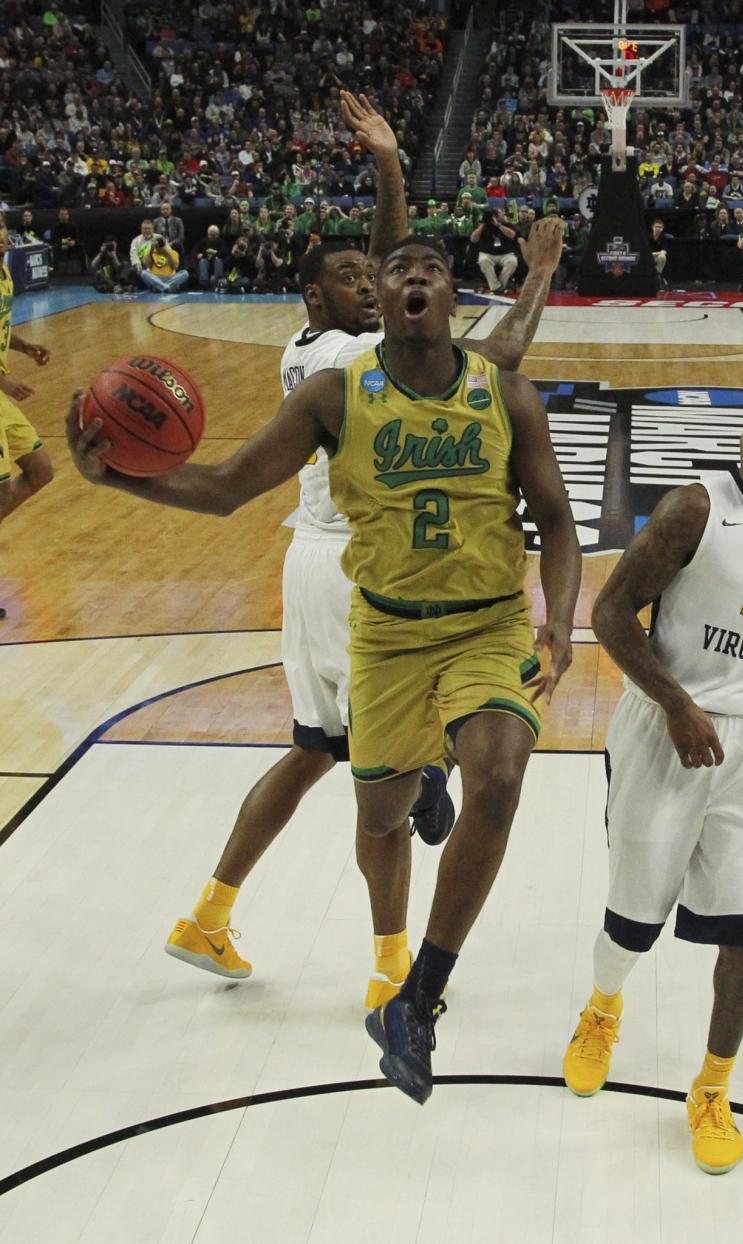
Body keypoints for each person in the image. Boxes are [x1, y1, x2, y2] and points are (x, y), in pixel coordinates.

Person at [68, 232, 581, 1107]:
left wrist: (560, 621)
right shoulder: (335, 394)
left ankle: (417, 995)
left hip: (485, 626)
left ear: (455, 298)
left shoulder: (509, 395)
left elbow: (559, 522)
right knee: (378, 813)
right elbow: (227, 485)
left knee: (499, 775)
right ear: (377, 299)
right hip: (381, 636)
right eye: (398, 269)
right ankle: (421, 775)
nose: (415, 277)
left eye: (432, 270)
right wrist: (117, 481)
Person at [160, 96, 563, 1011]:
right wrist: (389, 168)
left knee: (314, 752)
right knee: (386, 754)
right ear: (334, 296)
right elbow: (476, 329)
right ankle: (392, 963)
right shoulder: (356, 359)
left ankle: (211, 912)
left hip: (315, 560)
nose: (380, 279)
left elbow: (416, 284)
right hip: (367, 575)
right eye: (359, 275)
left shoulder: (317, 350)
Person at [562, 375, 743, 1174]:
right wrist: (679, 705)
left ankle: (712, 1087)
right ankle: (602, 1011)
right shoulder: (694, 508)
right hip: (661, 731)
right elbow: (610, 614)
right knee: (632, 920)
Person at [0, 214, 55, 617]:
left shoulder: (5, 273)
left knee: (40, 471)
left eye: (3, 226)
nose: (3, 233)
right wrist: (5, 383)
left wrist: (25, 346)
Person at [471, 208, 519, 293]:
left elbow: (512, 235)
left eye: (498, 214)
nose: (495, 216)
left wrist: (498, 225)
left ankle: (499, 285)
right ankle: (496, 287)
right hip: (487, 254)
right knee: (483, 261)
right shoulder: (483, 226)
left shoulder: (507, 224)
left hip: (505, 254)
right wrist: (483, 224)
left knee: (512, 262)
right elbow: (473, 239)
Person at [189, 225, 225, 290]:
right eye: (211, 235)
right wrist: (197, 255)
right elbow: (194, 251)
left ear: (218, 234)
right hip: (206, 262)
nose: (212, 237)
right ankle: (203, 283)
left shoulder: (221, 242)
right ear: (208, 234)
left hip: (216, 262)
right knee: (203, 261)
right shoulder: (203, 241)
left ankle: (218, 282)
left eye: (214, 235)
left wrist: (215, 255)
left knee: (218, 261)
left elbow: (224, 252)